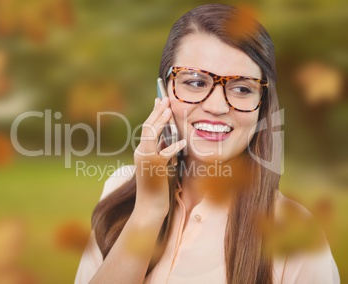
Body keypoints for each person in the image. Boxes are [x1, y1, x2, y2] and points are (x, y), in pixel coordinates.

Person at [75, 4, 340, 284]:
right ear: (162, 92)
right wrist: (147, 212)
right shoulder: (120, 191)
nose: (216, 106)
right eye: (196, 82)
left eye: (241, 88)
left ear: (262, 106)